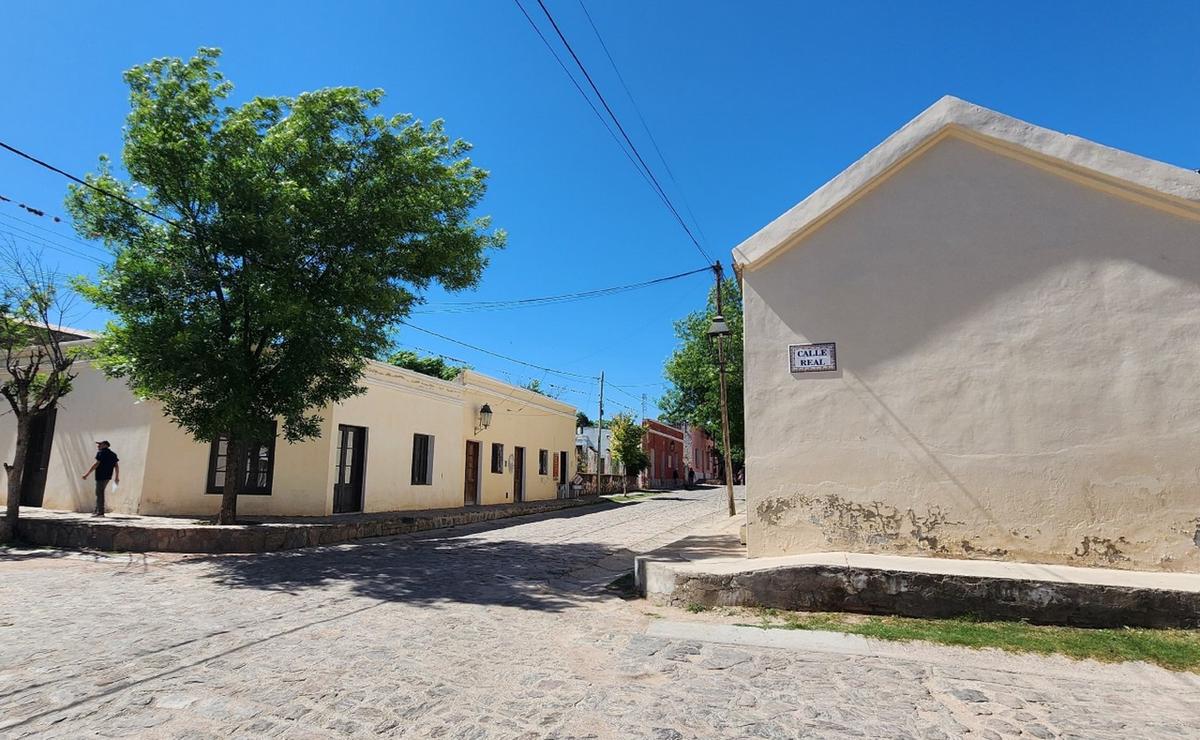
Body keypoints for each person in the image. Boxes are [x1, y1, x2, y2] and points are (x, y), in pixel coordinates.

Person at [82, 440, 119, 517]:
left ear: (105, 445)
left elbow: (96, 464)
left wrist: (87, 474)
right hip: (108, 476)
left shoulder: (101, 453)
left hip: (100, 476)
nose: (98, 446)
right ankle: (97, 510)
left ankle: (100, 512)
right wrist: (116, 476)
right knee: (99, 492)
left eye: (100, 444)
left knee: (99, 493)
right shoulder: (113, 454)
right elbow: (116, 466)